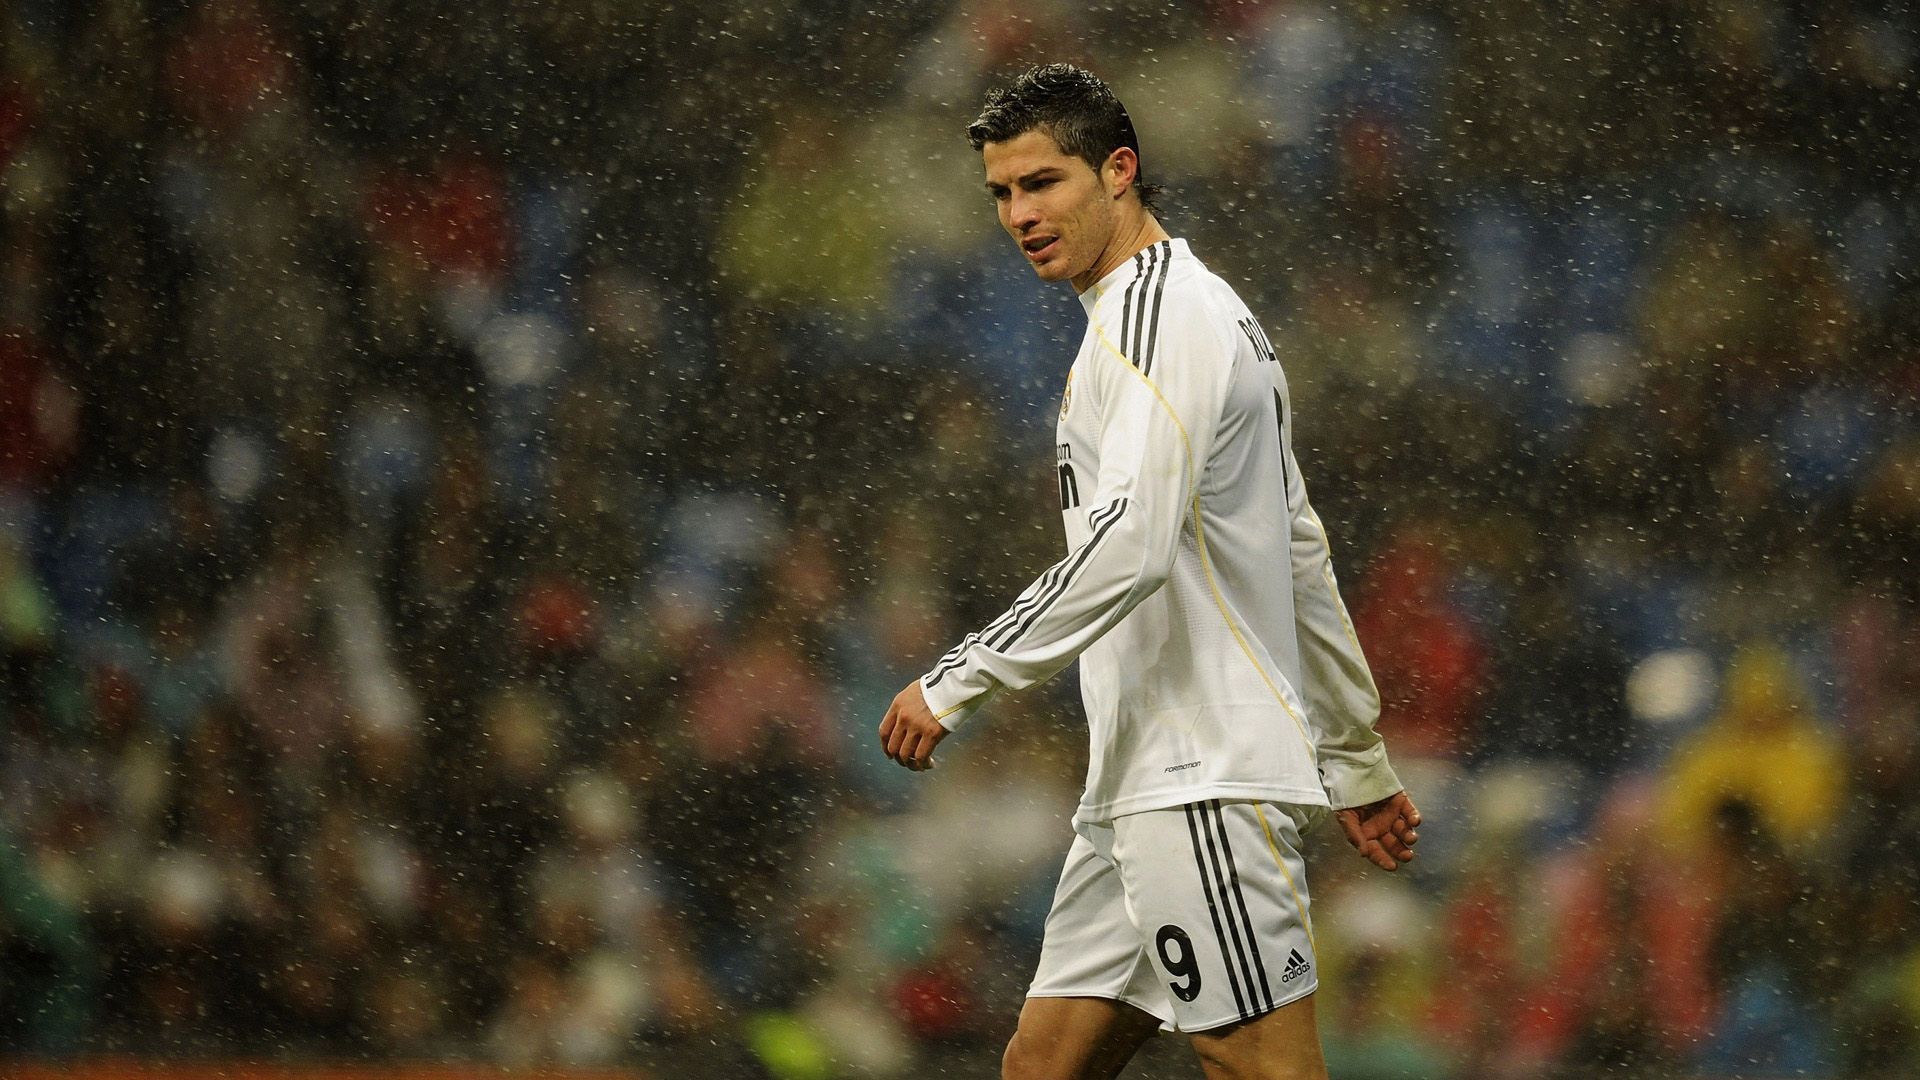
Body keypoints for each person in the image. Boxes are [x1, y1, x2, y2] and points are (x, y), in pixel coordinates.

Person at [877, 64, 1421, 1080]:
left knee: (1261, 1068)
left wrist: (958, 681)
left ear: (1118, 171)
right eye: (1001, 194)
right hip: (1140, 781)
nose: (1019, 215)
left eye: (1043, 184)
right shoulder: (1194, 317)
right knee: (1040, 1067)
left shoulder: (1159, 322)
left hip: (1198, 777)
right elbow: (1298, 551)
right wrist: (1351, 756)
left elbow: (1126, 547)